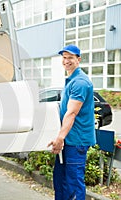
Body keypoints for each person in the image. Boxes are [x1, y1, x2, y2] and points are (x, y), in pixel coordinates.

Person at [48, 44, 96, 200]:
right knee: (61, 181)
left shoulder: (80, 82)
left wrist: (60, 138)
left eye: (70, 57)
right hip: (68, 140)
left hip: (76, 141)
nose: (66, 61)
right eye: (64, 57)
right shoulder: (71, 80)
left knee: (73, 185)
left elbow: (72, 113)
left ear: (78, 59)